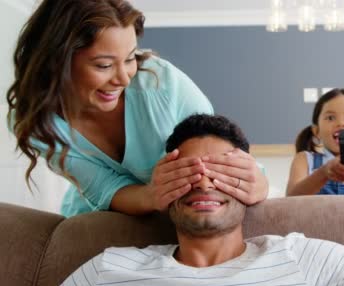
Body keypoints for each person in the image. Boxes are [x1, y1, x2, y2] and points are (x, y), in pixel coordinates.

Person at [27, 114, 344, 286]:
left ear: (249, 182)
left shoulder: (301, 257)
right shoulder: (109, 268)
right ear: (165, 186)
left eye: (223, 172)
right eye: (188, 171)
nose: (205, 183)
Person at [6, 0, 268, 217]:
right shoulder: (36, 121)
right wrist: (151, 195)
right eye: (104, 65)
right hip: (99, 220)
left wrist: (259, 184)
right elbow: (103, 188)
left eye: (130, 58)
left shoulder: (161, 84)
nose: (123, 78)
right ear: (56, 63)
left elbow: (219, 153)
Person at [286, 88, 344, 196]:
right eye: (330, 118)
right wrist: (323, 173)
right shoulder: (305, 159)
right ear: (317, 131)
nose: (341, 123)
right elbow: (290, 199)